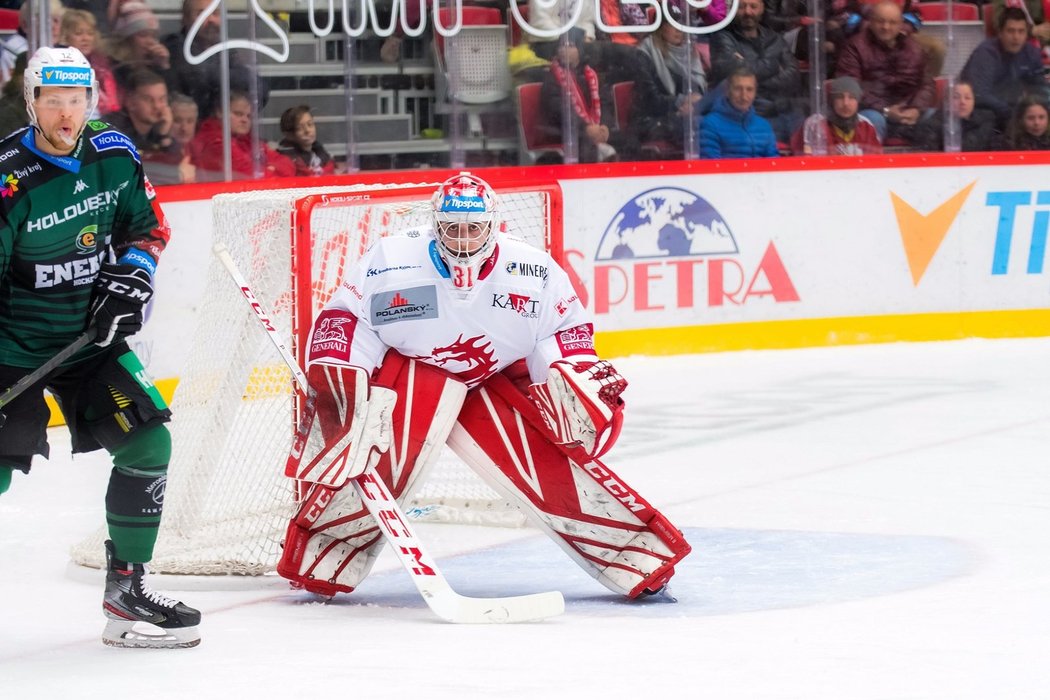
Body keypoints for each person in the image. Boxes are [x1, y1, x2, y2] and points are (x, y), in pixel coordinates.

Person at [276, 172, 691, 600]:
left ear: (492, 226)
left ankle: (636, 558)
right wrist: (341, 379)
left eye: (473, 227)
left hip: (494, 377)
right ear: (435, 224)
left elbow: (565, 329)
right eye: (452, 227)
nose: (463, 238)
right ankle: (319, 561)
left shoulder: (533, 270)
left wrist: (567, 375)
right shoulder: (391, 259)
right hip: (414, 373)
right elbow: (346, 317)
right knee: (372, 462)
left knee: (552, 464)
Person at [0, 46, 200, 648]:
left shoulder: (113, 153)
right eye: (53, 101)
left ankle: (126, 591)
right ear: (31, 102)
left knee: (148, 442)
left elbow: (149, 227)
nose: (67, 114)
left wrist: (132, 275)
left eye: (77, 100)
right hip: (15, 345)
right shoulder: (9, 179)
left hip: (91, 338)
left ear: (93, 100)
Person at [835, 0, 935, 143]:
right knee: (872, 120)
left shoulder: (915, 48)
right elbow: (851, 87)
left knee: (935, 116)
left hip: (908, 110)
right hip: (873, 111)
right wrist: (886, 110)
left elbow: (927, 84)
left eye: (892, 22)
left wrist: (916, 109)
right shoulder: (854, 47)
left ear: (901, 24)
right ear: (871, 21)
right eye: (880, 21)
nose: (886, 27)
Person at [709, 0, 804, 142]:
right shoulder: (722, 37)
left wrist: (748, 71)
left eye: (753, 6)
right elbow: (729, 73)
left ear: (762, 8)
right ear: (732, 9)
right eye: (741, 7)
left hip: (782, 112)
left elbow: (794, 77)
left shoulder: (775, 38)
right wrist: (773, 66)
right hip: (742, 117)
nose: (748, 12)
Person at [162, 0, 269, 118]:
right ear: (185, 19)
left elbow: (259, 87)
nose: (211, 19)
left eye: (215, 13)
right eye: (201, 13)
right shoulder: (175, 47)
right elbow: (203, 77)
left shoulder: (224, 50)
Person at [628, 0, 706, 152]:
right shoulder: (644, 53)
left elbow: (699, 90)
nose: (679, 30)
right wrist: (681, 102)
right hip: (652, 120)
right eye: (673, 24)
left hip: (687, 115)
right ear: (661, 28)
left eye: (681, 24)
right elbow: (650, 100)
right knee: (697, 126)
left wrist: (695, 103)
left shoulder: (690, 52)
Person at [539, 27, 625, 163]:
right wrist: (586, 127)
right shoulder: (552, 77)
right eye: (561, 46)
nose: (563, 50)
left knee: (628, 140)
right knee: (585, 145)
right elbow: (560, 110)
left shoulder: (592, 74)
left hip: (595, 128)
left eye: (570, 45)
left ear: (580, 49)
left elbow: (605, 104)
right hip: (565, 131)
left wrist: (605, 127)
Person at [959, 7, 1049, 129]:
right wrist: (1013, 113)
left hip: (1018, 114)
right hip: (987, 115)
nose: (1016, 37)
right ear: (1000, 33)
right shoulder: (985, 53)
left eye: (1021, 31)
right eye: (1010, 31)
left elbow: (1039, 88)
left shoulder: (1031, 53)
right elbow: (980, 95)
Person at [101, 68, 188, 184]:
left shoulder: (159, 127)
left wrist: (164, 135)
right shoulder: (112, 129)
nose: (157, 106)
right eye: (148, 99)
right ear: (130, 102)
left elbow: (174, 167)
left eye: (162, 99)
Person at [190, 90, 294, 180]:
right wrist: (269, 167)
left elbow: (288, 165)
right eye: (238, 114)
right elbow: (254, 177)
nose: (245, 120)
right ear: (220, 112)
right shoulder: (214, 142)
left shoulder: (247, 140)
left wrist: (269, 169)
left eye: (249, 116)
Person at [700, 67, 779, 158]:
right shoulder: (710, 124)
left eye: (749, 89)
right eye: (738, 89)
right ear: (727, 91)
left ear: (755, 92)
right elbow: (711, 167)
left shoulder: (764, 126)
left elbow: (774, 164)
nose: (744, 96)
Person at [791, 76, 882, 155]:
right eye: (839, 97)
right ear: (832, 101)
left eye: (851, 97)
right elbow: (804, 162)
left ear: (858, 101)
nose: (846, 103)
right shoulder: (814, 125)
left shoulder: (866, 126)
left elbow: (876, 164)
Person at [59, 9, 120, 117]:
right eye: (78, 33)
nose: (85, 38)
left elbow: (113, 103)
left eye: (90, 33)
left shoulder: (103, 65)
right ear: (65, 35)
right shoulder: (60, 65)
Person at [912, 80, 998, 152]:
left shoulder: (986, 120)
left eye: (967, 98)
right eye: (956, 97)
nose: (962, 102)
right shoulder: (932, 125)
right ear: (947, 101)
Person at [107, 1, 172, 95]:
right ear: (127, 39)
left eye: (153, 36)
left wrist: (163, 66)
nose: (150, 41)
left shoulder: (155, 65)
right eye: (143, 35)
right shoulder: (114, 69)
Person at [1, 0, 64, 90]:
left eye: (56, 21)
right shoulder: (14, 50)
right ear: (25, 25)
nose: (53, 27)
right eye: (46, 22)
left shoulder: (62, 50)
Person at [276, 105, 339, 176]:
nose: (307, 130)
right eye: (299, 128)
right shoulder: (286, 162)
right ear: (288, 135)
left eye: (310, 124)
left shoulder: (320, 152)